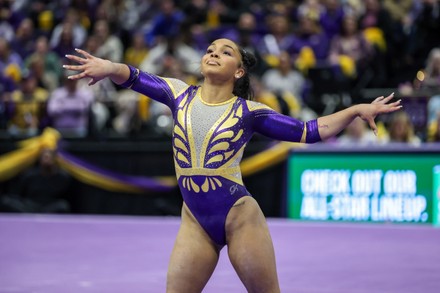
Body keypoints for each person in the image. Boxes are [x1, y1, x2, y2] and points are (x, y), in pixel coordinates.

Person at [64, 38, 401, 293]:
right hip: (195, 220)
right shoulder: (179, 94)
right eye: (210, 49)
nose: (214, 53)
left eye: (226, 52)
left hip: (239, 217)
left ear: (239, 71)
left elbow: (310, 131)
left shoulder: (248, 111)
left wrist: (357, 108)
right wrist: (109, 68)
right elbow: (136, 77)